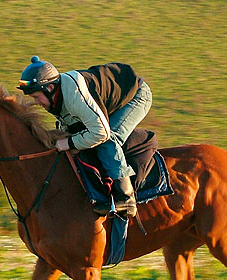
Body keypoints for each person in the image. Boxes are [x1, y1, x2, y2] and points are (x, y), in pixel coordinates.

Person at [17, 56, 152, 217]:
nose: (37, 102)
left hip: (136, 96)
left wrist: (69, 143)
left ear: (51, 87)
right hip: (110, 98)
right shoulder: (56, 95)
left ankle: (126, 198)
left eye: (37, 97)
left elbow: (101, 133)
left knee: (107, 140)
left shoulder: (75, 96)